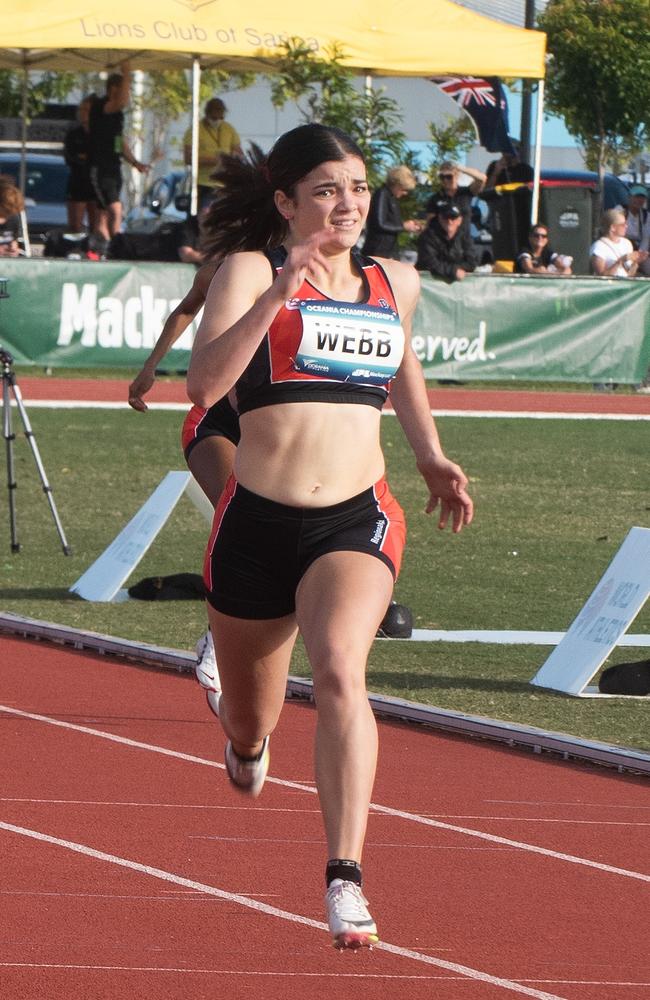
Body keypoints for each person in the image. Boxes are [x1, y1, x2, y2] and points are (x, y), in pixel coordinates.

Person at [186, 124, 473, 950]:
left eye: (356, 187)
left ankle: (343, 878)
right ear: (285, 203)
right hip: (256, 524)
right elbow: (205, 387)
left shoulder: (397, 281)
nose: (347, 205)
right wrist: (281, 290)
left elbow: (404, 362)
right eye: (324, 191)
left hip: (356, 516)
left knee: (343, 671)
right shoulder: (247, 271)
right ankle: (246, 744)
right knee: (251, 720)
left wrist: (432, 457)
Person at [88, 60, 150, 243]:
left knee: (104, 212)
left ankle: (107, 246)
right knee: (114, 209)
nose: (125, 95)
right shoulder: (101, 106)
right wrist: (127, 74)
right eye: (121, 89)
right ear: (111, 89)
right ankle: (113, 244)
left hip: (113, 167)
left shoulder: (117, 115)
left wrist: (135, 162)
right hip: (100, 167)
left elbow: (119, 141)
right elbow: (121, 101)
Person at [183, 98, 243, 212]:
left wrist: (231, 159)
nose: (218, 120)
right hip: (202, 184)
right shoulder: (195, 130)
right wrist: (218, 160)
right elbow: (188, 158)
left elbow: (239, 154)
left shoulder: (228, 129)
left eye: (221, 116)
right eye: (214, 117)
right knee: (201, 217)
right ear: (207, 113)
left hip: (224, 185)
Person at [361, 164, 422, 259]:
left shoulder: (391, 197)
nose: (405, 193)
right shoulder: (382, 194)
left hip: (387, 251)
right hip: (377, 251)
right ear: (397, 184)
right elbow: (379, 223)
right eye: (404, 189)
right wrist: (403, 226)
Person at [416, 200, 478, 282]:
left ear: (459, 220)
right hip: (430, 284)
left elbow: (472, 262)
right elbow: (428, 263)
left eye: (453, 218)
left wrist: (455, 269)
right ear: (440, 218)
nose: (449, 221)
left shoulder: (465, 236)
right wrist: (452, 271)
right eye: (446, 217)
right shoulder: (427, 236)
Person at [63, 96, 99, 234]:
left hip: (97, 183)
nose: (82, 112)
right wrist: (86, 158)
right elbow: (70, 157)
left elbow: (103, 157)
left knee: (96, 225)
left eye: (86, 110)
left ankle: (94, 251)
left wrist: (88, 157)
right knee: (75, 226)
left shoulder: (102, 133)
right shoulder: (73, 134)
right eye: (81, 109)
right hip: (78, 182)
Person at [424, 159, 486, 231]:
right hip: (443, 239)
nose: (445, 180)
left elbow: (482, 179)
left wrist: (461, 168)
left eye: (449, 177)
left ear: (457, 176)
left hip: (464, 239)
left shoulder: (466, 192)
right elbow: (429, 223)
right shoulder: (435, 198)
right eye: (442, 177)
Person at [590, 208, 649, 278]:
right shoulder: (598, 247)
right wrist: (620, 261)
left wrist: (636, 262)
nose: (626, 226)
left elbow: (630, 275)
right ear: (613, 227)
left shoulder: (627, 243)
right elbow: (601, 276)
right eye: (623, 224)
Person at [625, 184, 650, 277]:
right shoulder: (621, 211)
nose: (639, 200)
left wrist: (640, 255)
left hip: (640, 251)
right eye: (636, 196)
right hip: (624, 250)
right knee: (626, 270)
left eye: (642, 197)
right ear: (629, 197)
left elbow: (646, 238)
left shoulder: (646, 216)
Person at [0, 175, 24, 257]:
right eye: (6, 211)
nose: (8, 215)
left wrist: (13, 250)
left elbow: (14, 241)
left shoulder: (13, 219)